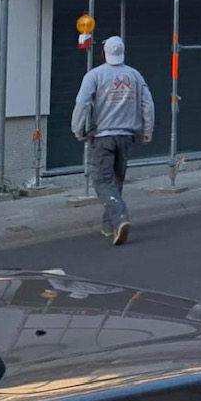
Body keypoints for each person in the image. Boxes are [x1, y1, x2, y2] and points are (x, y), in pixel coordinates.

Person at [71, 36, 154, 245]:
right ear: (124, 53)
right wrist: (147, 130)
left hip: (103, 137)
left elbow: (82, 103)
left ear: (103, 53)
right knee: (116, 181)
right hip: (126, 137)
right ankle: (110, 226)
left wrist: (78, 129)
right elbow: (147, 103)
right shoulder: (135, 75)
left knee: (102, 181)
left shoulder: (95, 75)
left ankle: (120, 217)